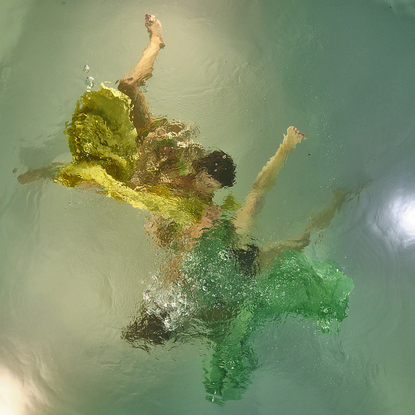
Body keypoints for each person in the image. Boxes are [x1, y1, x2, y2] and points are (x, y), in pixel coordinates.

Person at [18, 14, 360, 404]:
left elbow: (200, 241)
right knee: (127, 86)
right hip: (164, 184)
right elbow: (221, 220)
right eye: (207, 183)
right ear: (199, 169)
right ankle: (156, 42)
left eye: (214, 190)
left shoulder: (204, 216)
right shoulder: (181, 160)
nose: (208, 192)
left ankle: (336, 201)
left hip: (218, 254)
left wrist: (176, 232)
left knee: (293, 242)